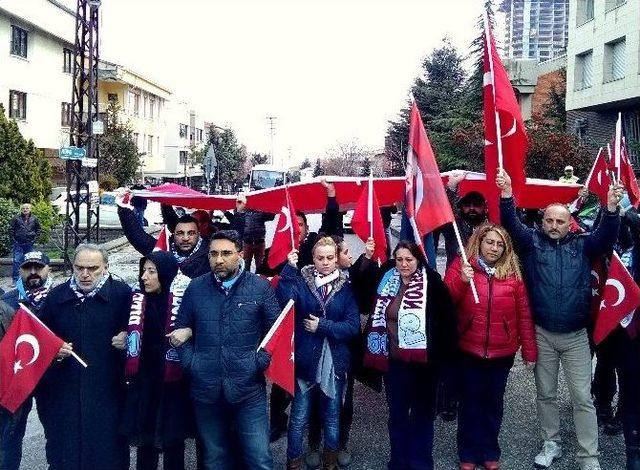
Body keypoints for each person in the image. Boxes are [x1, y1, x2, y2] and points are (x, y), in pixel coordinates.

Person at [497, 169, 622, 470]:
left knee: (582, 398)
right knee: (546, 394)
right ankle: (550, 443)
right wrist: (506, 195)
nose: (554, 226)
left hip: (576, 335)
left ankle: (589, 456)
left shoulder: (583, 245)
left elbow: (606, 236)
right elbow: (511, 225)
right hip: (542, 334)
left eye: (560, 221)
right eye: (549, 220)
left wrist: (612, 208)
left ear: (570, 224)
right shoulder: (531, 244)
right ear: (542, 222)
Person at [174, 230, 280, 469]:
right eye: (213, 254)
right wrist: (193, 364)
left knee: (259, 458)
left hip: (248, 390)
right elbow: (181, 330)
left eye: (226, 253)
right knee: (214, 459)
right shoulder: (196, 288)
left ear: (240, 254)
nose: (219, 260)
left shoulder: (260, 287)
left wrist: (257, 363)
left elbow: (276, 331)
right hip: (206, 390)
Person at [444, 224, 537, 470]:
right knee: (470, 403)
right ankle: (468, 453)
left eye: (499, 244)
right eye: (490, 242)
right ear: (479, 242)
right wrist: (463, 281)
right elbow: (445, 302)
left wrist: (529, 351)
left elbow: (524, 314)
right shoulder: (462, 266)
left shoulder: (512, 274)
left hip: (501, 353)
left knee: (493, 404)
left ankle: (489, 450)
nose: (494, 248)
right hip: (469, 350)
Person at [35, 244, 131, 470]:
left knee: (107, 457)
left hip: (109, 394)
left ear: (106, 267)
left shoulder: (123, 295)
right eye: (79, 268)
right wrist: (54, 352)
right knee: (65, 456)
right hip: (65, 396)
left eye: (93, 268)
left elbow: (144, 337)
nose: (85, 274)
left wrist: (131, 338)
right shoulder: (57, 297)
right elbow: (41, 341)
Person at [363, 241, 457, 470]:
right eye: (399, 259)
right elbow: (362, 290)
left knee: (423, 415)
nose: (404, 264)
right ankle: (399, 461)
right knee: (397, 415)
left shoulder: (432, 281)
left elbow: (447, 323)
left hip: (425, 364)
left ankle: (421, 462)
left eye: (409, 259)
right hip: (394, 363)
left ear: (418, 260)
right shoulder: (387, 277)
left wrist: (445, 362)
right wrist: (366, 257)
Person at [277, 237, 360, 470]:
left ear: (336, 259)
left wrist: (322, 326)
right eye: (320, 258)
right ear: (312, 259)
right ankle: (293, 462)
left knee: (332, 416)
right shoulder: (301, 283)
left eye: (330, 258)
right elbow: (284, 302)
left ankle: (330, 461)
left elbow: (353, 327)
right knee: (299, 417)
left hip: (334, 362)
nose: (325, 262)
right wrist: (288, 270)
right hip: (305, 359)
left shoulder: (346, 288)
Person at [120, 251, 193, 470]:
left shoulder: (184, 300)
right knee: (146, 441)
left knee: (173, 441)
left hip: (174, 383)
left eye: (151, 271)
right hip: (145, 383)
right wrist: (122, 334)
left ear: (166, 273)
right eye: (143, 271)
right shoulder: (135, 300)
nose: (144, 277)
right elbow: (124, 328)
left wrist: (188, 331)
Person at [0, 251, 53, 470]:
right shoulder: (7, 301)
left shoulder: (60, 297)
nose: (33, 273)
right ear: (19, 270)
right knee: (9, 437)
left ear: (48, 269)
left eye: (38, 267)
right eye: (27, 268)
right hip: (18, 377)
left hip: (52, 379)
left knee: (56, 432)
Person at [119, 195, 210, 278]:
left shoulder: (210, 253)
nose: (185, 238)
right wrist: (123, 209)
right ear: (174, 235)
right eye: (180, 233)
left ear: (198, 234)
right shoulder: (164, 249)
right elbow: (138, 237)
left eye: (191, 233)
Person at [226, 194, 275, 270]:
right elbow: (234, 220)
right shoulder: (242, 212)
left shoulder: (261, 212)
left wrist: (271, 205)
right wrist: (226, 212)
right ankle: (246, 278)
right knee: (245, 264)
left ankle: (259, 278)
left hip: (260, 242)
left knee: (260, 265)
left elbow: (271, 216)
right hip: (247, 243)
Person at [9, 203, 41, 284]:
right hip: (18, 243)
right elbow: (11, 230)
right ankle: (15, 280)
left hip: (29, 243)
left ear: (30, 209)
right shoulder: (16, 218)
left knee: (30, 261)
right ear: (21, 209)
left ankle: (28, 278)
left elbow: (38, 229)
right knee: (17, 261)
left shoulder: (34, 218)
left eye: (27, 208)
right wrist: (14, 240)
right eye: (23, 208)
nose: (25, 209)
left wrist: (34, 239)